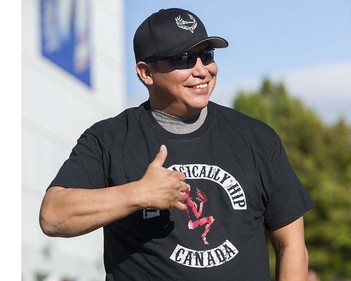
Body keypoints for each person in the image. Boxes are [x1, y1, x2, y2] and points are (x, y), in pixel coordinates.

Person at [39, 7, 315, 281]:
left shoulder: (258, 139)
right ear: (146, 73)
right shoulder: (109, 139)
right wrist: (138, 194)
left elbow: (291, 245)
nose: (202, 70)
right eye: (183, 59)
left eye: (207, 56)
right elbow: (52, 216)